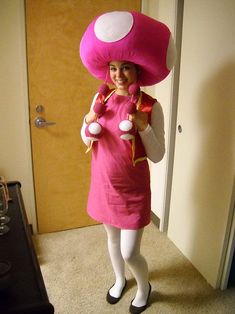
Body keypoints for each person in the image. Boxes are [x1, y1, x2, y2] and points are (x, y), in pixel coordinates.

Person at [79, 11, 176, 314]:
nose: (118, 74)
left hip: (132, 192)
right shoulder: (101, 101)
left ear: (137, 71)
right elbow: (85, 138)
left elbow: (158, 155)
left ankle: (144, 286)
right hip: (104, 185)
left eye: (125, 68)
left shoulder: (150, 106)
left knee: (130, 250)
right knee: (111, 239)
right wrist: (88, 122)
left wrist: (143, 125)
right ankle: (120, 280)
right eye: (113, 68)